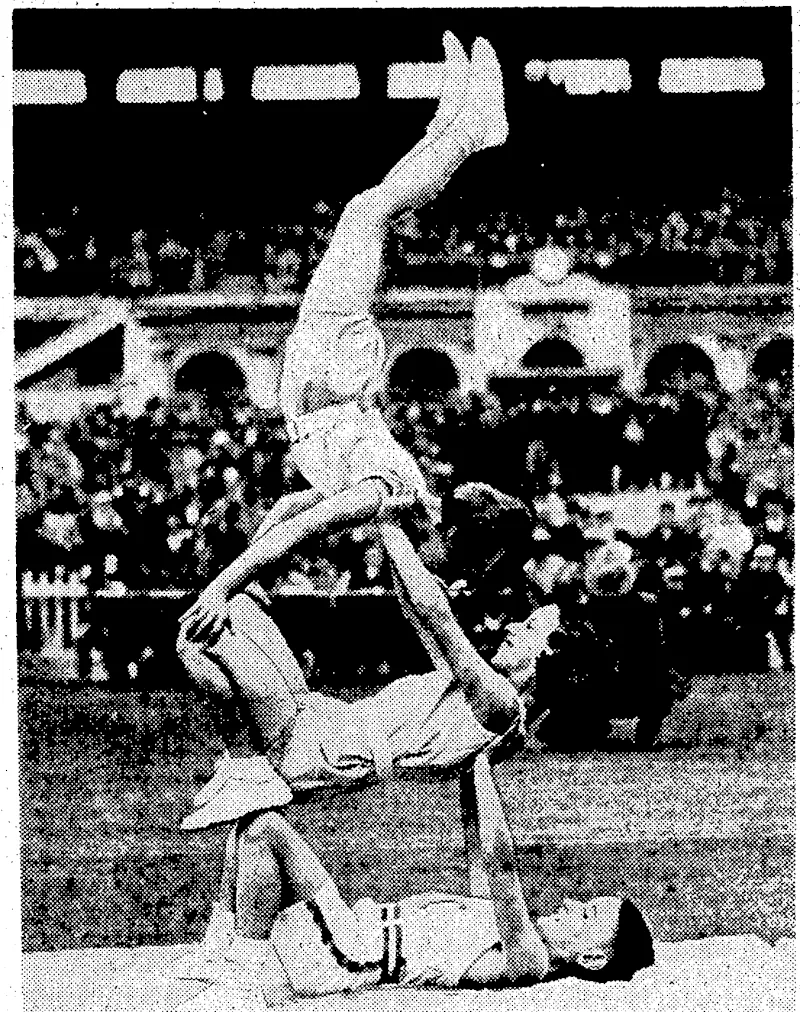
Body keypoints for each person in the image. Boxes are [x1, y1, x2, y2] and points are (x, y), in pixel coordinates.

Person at [179, 31, 508, 651]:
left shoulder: (390, 500)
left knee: (367, 212)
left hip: (321, 385)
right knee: (365, 213)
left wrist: (234, 578)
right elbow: (306, 522)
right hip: (334, 380)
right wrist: (229, 580)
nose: (447, 493)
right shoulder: (396, 492)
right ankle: (461, 132)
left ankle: (457, 130)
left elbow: (292, 518)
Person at [119, 756, 654, 1011]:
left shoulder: (529, 958)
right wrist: (474, 768)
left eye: (587, 919)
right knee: (260, 836)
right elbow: (486, 855)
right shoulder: (531, 941)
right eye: (589, 903)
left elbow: (493, 856)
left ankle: (236, 951)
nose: (575, 906)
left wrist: (479, 760)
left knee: (268, 822)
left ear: (588, 961)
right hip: (362, 938)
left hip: (359, 947)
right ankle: (234, 950)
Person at [177, 518, 533, 830]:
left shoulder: (499, 703)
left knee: (196, 636)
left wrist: (387, 519)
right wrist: (396, 535)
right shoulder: (470, 688)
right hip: (321, 721)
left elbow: (434, 613)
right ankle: (248, 758)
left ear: (537, 667)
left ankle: (247, 761)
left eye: (531, 629)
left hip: (324, 750)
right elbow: (414, 607)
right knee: (234, 606)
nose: (515, 628)